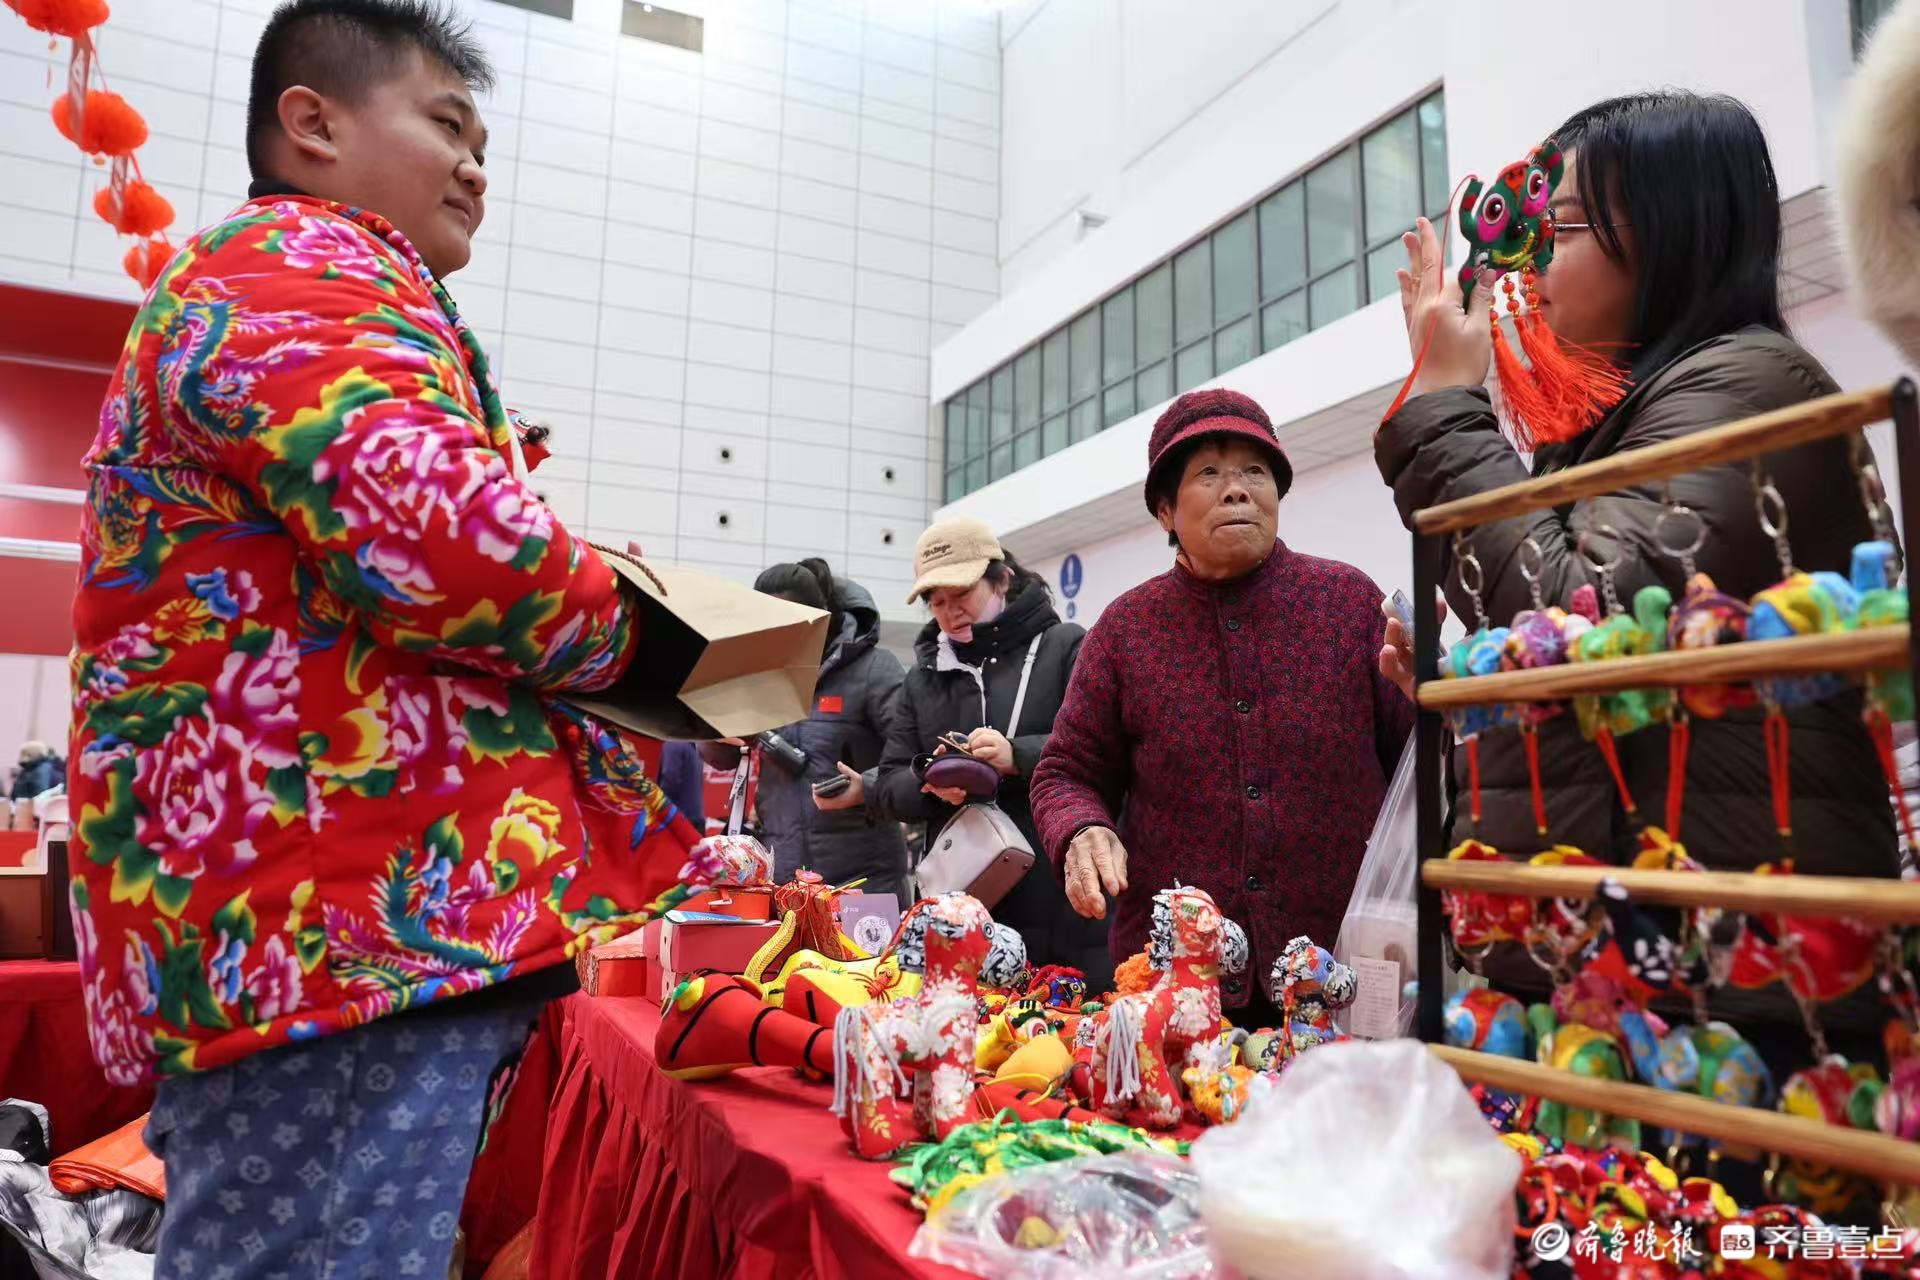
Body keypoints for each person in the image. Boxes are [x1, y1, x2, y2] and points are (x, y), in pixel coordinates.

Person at [66, 4, 697, 1277]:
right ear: (312, 123)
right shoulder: (296, 264)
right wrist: (663, 646)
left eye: (484, 145)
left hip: (342, 921)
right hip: (336, 926)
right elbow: (451, 541)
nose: (475, 167)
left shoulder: (316, 279)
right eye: (447, 126)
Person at [1376, 92, 1899, 1051]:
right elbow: (1562, 654)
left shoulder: (1747, 388)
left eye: (1563, 227)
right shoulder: (1608, 430)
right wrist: (1470, 679)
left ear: (1668, 232)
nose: (1530, 263)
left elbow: (1581, 616)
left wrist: (1447, 404)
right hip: (1615, 968)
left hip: (1726, 994)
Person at [1030, 390, 1413, 1023]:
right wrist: (1080, 829)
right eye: (1208, 474)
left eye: (1254, 472)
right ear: (1165, 511)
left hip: (1342, 969)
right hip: (1181, 986)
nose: (1237, 490)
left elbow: (1418, 764)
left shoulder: (1347, 602)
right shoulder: (1125, 629)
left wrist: (1438, 695)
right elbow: (1066, 770)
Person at [874, 518, 1112, 991]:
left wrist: (1016, 755)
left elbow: (1103, 745)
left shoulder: (1064, 647)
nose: (950, 611)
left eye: (962, 593)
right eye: (937, 601)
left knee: (1062, 1019)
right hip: (966, 903)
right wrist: (930, 779)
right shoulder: (923, 678)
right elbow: (887, 786)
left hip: (1059, 889)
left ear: (1001, 579)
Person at [701, 559, 912, 902]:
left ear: (818, 621)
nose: (775, 635)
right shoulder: (763, 676)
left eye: (786, 623)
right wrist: (715, 731)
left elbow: (913, 752)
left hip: (864, 881)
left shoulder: (874, 669)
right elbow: (721, 757)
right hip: (785, 880)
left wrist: (867, 788)